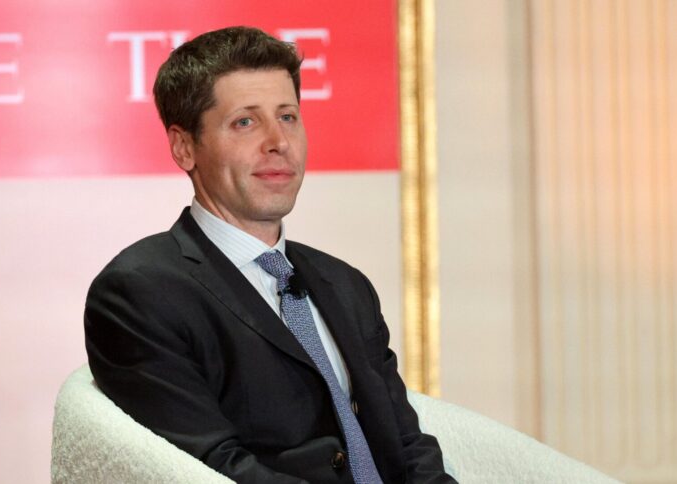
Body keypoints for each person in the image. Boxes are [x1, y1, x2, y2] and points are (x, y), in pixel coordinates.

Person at [84, 26, 456, 484]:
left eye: (288, 117)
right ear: (184, 147)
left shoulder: (346, 284)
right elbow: (211, 467)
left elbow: (406, 443)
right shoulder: (140, 292)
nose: (278, 141)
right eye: (245, 122)